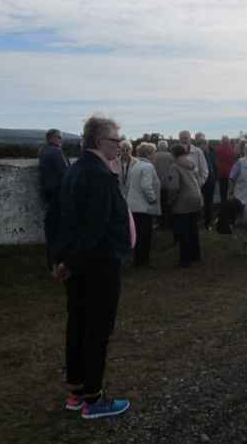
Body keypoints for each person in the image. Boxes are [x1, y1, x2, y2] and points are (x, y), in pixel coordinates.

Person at [52, 114, 131, 419]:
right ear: (99, 141)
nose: (120, 145)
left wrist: (60, 260)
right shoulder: (99, 175)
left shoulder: (74, 170)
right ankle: (93, 399)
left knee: (78, 325)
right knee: (96, 330)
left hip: (78, 264)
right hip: (98, 264)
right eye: (116, 140)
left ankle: (76, 392)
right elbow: (94, 227)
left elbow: (57, 219)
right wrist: (69, 261)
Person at [166, 144, 204, 267]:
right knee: (193, 229)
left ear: (174, 154)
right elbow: (198, 180)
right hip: (196, 198)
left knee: (183, 231)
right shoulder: (192, 164)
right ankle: (196, 256)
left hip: (182, 202)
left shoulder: (174, 167)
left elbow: (174, 187)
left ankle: (185, 260)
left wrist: (170, 201)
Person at [125, 143, 161, 268]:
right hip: (143, 207)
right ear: (148, 154)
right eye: (154, 152)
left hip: (133, 205)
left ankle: (138, 260)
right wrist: (153, 199)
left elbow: (129, 185)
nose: (155, 155)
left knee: (138, 235)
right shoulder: (148, 166)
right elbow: (146, 186)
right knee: (145, 235)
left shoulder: (136, 165)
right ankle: (143, 262)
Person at [39, 128, 69, 270]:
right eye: (59, 137)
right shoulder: (56, 152)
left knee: (51, 229)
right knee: (58, 230)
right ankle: (57, 262)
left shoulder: (43, 151)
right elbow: (65, 172)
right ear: (52, 138)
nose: (61, 140)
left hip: (48, 194)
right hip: (58, 194)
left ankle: (51, 262)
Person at [195, 132, 218, 230]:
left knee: (208, 202)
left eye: (205, 144)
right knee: (199, 201)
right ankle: (200, 220)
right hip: (200, 181)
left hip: (209, 181)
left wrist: (215, 177)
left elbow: (214, 166)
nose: (205, 146)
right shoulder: (196, 154)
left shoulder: (210, 153)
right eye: (202, 144)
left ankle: (208, 222)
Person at [153, 140, 174, 228]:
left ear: (158, 147)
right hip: (169, 183)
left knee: (160, 203)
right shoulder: (171, 156)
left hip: (157, 183)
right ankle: (169, 222)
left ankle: (160, 223)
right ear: (166, 147)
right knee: (168, 204)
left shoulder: (154, 156)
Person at [216, 135, 237, 207]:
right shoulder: (231, 150)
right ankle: (230, 206)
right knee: (231, 192)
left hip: (221, 173)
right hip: (231, 174)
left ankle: (223, 207)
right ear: (228, 141)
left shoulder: (218, 149)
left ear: (222, 141)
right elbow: (233, 159)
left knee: (223, 193)